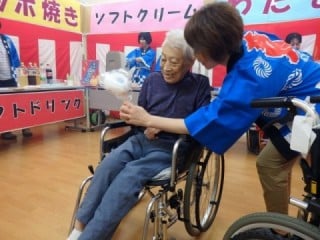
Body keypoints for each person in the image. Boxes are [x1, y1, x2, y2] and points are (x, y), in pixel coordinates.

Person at [120, 1, 320, 227]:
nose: (193, 54)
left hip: (312, 107)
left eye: (195, 49)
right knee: (281, 162)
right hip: (308, 89)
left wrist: (147, 119)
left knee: (269, 164)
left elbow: (209, 120)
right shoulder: (249, 37)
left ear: (209, 52)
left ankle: (281, 230)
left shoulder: (247, 79)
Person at [67, 29, 211, 240]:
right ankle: (79, 227)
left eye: (174, 62)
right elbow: (139, 119)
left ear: (189, 64)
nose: (167, 67)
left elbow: (199, 126)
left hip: (171, 150)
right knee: (107, 166)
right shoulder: (152, 81)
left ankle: (91, 236)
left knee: (129, 176)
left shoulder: (199, 85)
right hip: (141, 140)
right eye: (163, 60)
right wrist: (134, 119)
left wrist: (156, 124)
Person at [0, 21, 32, 140]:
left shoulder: (6, 40)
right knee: (2, 107)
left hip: (10, 78)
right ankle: (5, 131)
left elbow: (15, 58)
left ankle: (25, 126)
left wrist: (18, 75)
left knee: (17, 103)